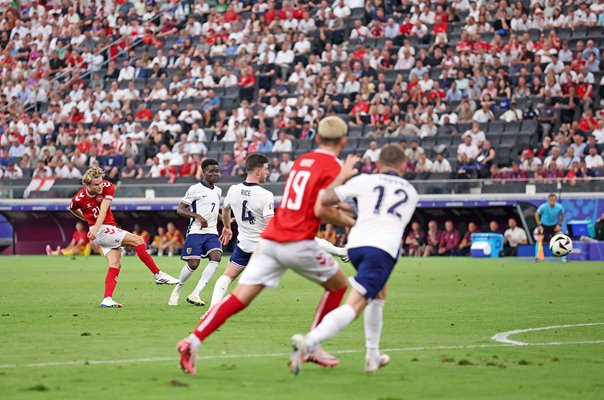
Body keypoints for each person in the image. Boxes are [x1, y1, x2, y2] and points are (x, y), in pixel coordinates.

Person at [176, 116, 356, 375]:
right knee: (339, 285)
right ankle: (313, 345)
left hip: (270, 240)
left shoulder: (302, 160)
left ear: (317, 138)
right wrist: (349, 218)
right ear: (344, 141)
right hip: (296, 240)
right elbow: (320, 207)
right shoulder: (334, 165)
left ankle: (192, 342)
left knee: (240, 297)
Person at [289, 144, 419, 374]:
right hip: (382, 249)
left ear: (377, 165)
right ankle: (309, 342)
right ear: (404, 166)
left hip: (356, 245)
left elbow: (326, 198)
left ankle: (373, 356)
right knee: (356, 303)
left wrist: (343, 184)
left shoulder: (365, 180)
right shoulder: (410, 191)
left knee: (379, 294)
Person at [207, 154, 349, 312]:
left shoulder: (233, 190)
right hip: (264, 248)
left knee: (226, 277)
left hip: (245, 245)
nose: (268, 172)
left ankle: (211, 311)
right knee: (305, 238)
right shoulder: (264, 195)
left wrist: (227, 227)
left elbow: (225, 210)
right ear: (258, 171)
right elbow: (270, 225)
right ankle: (341, 252)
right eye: (267, 169)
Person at [68, 167, 178, 308]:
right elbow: (72, 207)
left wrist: (93, 227)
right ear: (87, 184)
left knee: (115, 264)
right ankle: (158, 274)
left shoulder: (108, 187)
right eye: (96, 184)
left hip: (105, 228)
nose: (100, 185)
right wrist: (90, 223)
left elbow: (104, 209)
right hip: (101, 230)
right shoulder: (79, 198)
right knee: (138, 240)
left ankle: (107, 299)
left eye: (101, 182)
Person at [169, 159, 223, 307]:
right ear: (203, 172)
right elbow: (180, 209)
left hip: (212, 232)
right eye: (211, 171)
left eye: (216, 171)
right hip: (196, 232)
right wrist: (197, 217)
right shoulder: (195, 188)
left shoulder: (218, 191)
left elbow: (214, 211)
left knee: (216, 258)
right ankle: (177, 290)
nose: (214, 173)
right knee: (193, 264)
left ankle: (196, 293)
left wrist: (225, 219)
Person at [535, 193, 566, 262]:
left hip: (554, 226)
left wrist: (559, 225)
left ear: (555, 200)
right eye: (551, 200)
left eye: (554, 200)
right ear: (548, 200)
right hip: (544, 225)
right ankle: (537, 257)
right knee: (539, 240)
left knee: (562, 238)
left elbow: (562, 215)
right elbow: (536, 214)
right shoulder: (543, 207)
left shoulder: (559, 207)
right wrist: (539, 225)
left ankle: (564, 258)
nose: (552, 201)